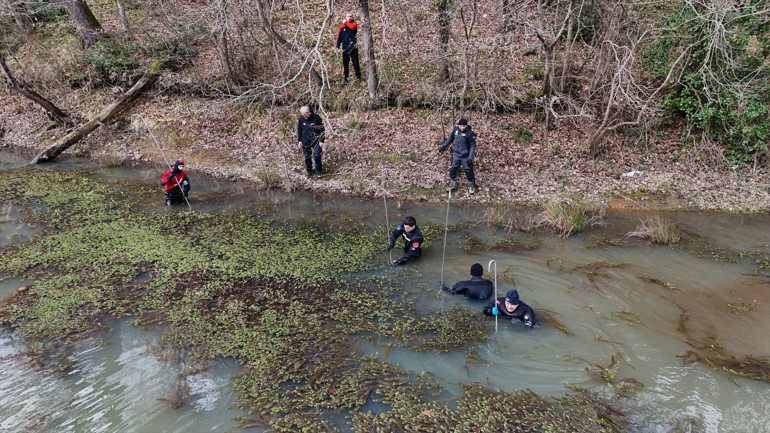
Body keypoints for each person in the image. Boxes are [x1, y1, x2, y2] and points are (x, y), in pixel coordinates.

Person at [438, 118, 477, 194]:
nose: (462, 128)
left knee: (468, 171)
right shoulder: (455, 130)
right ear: (458, 125)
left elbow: (473, 146)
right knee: (453, 169)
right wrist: (444, 146)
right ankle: (452, 184)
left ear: (466, 126)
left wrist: (470, 158)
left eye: (464, 126)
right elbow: (450, 139)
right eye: (461, 126)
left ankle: (472, 185)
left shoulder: (470, 133)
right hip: (456, 154)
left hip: (465, 156)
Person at [297, 106, 325, 178]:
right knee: (307, 156)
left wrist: (322, 140)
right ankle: (309, 171)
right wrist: (299, 140)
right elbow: (299, 129)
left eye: (304, 114)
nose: (303, 116)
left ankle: (318, 171)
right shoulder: (301, 118)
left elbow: (322, 129)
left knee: (317, 155)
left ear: (308, 112)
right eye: (302, 114)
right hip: (305, 141)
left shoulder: (316, 118)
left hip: (316, 140)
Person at [335, 12, 361, 84]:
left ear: (352, 17)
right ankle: (346, 78)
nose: (349, 17)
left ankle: (358, 77)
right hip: (345, 47)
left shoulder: (354, 24)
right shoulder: (342, 26)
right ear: (345, 17)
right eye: (348, 16)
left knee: (355, 62)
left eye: (350, 16)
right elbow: (339, 36)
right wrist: (337, 46)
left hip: (353, 47)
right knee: (345, 64)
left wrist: (346, 22)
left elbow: (352, 27)